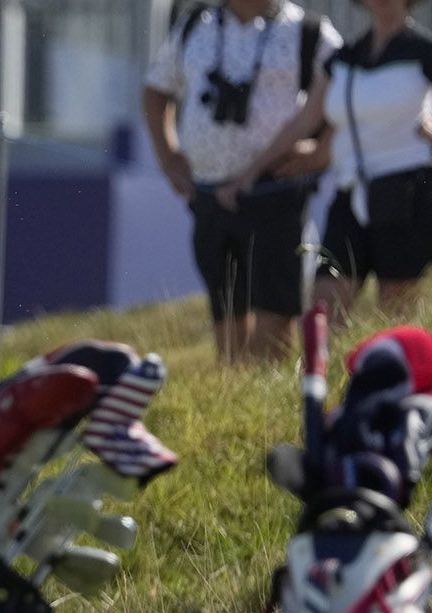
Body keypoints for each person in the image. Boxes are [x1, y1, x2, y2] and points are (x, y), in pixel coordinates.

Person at [221, 0, 432, 322]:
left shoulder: (425, 50)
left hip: (407, 192)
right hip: (352, 192)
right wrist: (252, 172)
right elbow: (303, 122)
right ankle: (321, 372)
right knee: (322, 310)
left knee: (395, 310)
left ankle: (397, 370)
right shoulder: (345, 57)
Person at [143, 0, 342, 362]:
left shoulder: (310, 31)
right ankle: (235, 395)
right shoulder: (195, 24)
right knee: (225, 306)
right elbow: (156, 91)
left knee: (276, 306)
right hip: (208, 191)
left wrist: (321, 150)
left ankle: (267, 396)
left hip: (276, 191)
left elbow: (349, 88)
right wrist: (167, 156)